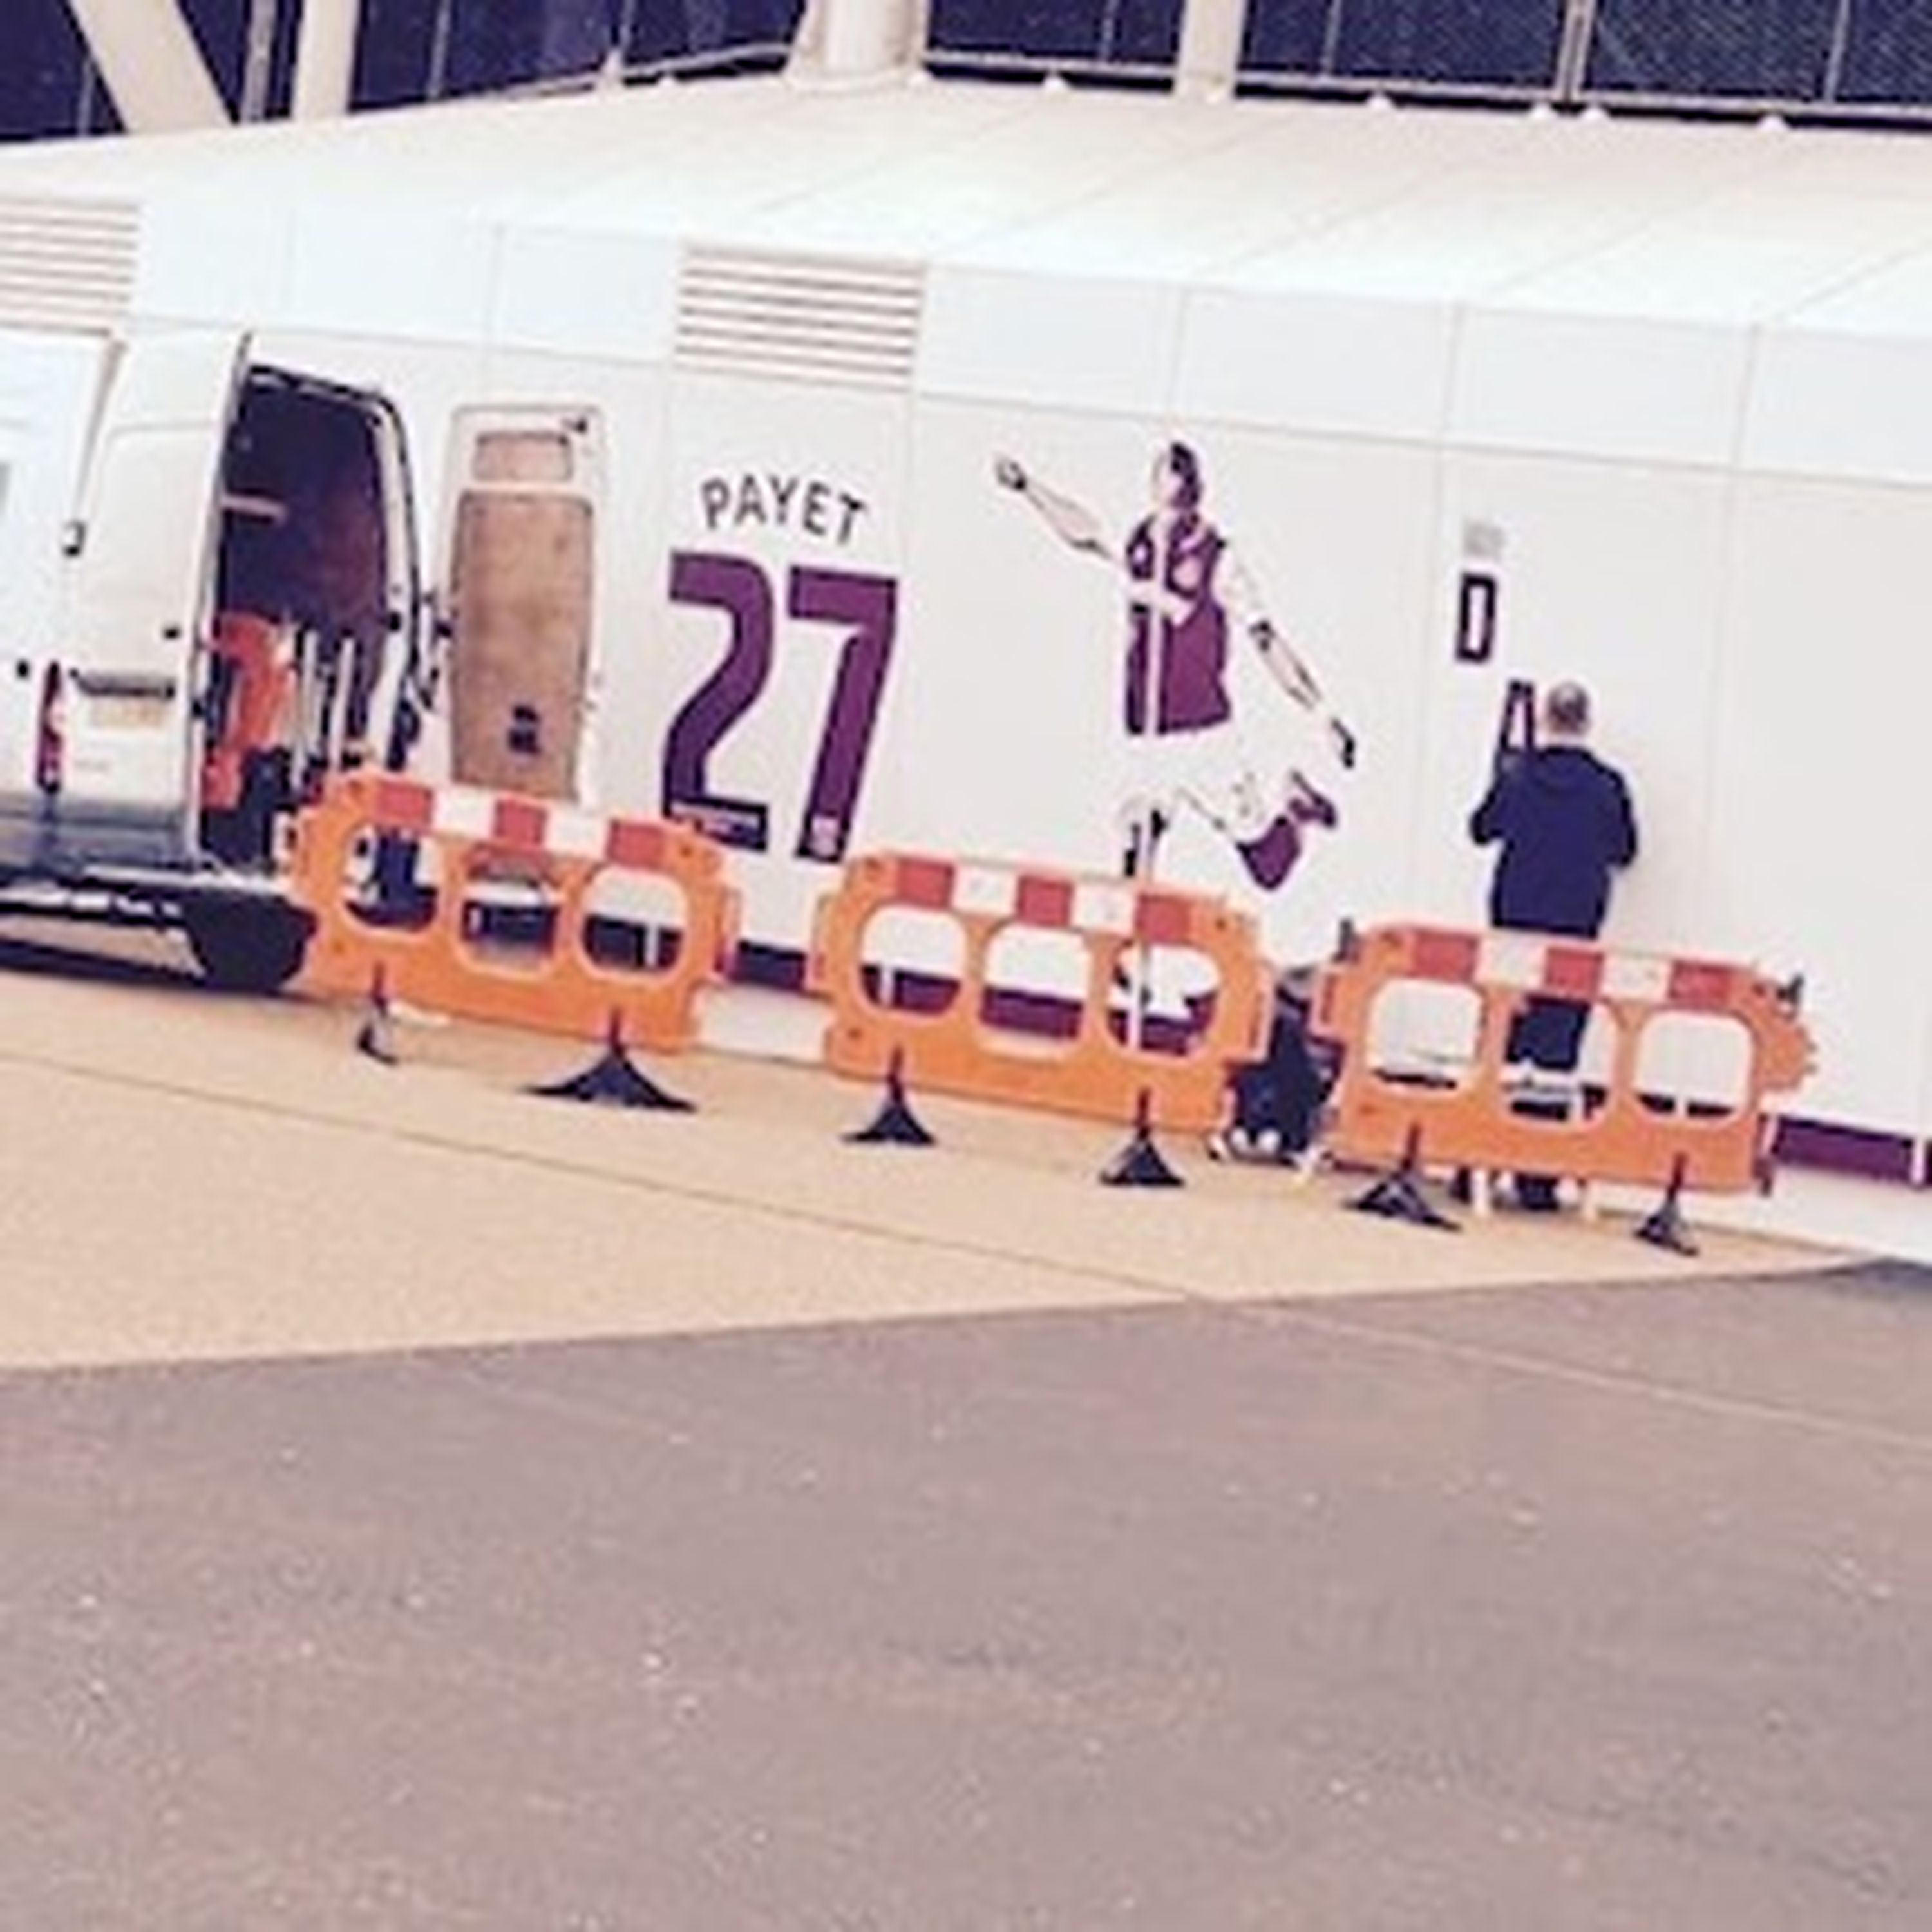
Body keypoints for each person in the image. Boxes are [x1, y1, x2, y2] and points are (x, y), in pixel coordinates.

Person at [994, 441, 1355, 893]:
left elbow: (1266, 640)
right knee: (1137, 847)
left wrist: (1323, 714)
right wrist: (1028, 487)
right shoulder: (1137, 540)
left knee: (1269, 870)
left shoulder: (1220, 560)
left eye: (1178, 493)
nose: (1167, 512)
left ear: (1194, 494)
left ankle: (1297, 811)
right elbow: (1084, 531)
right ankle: (1131, 937)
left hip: (1205, 735)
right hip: (1146, 734)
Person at [1468, 679, 1638, 1208]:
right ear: (1586, 723)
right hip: (1575, 934)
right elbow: (1625, 850)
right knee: (1556, 1055)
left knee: (1500, 1045)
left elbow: (1480, 829)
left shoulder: (1519, 776)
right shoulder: (1607, 786)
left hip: (1514, 929)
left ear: (1545, 719)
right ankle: (1537, 1177)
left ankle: (1476, 1163)